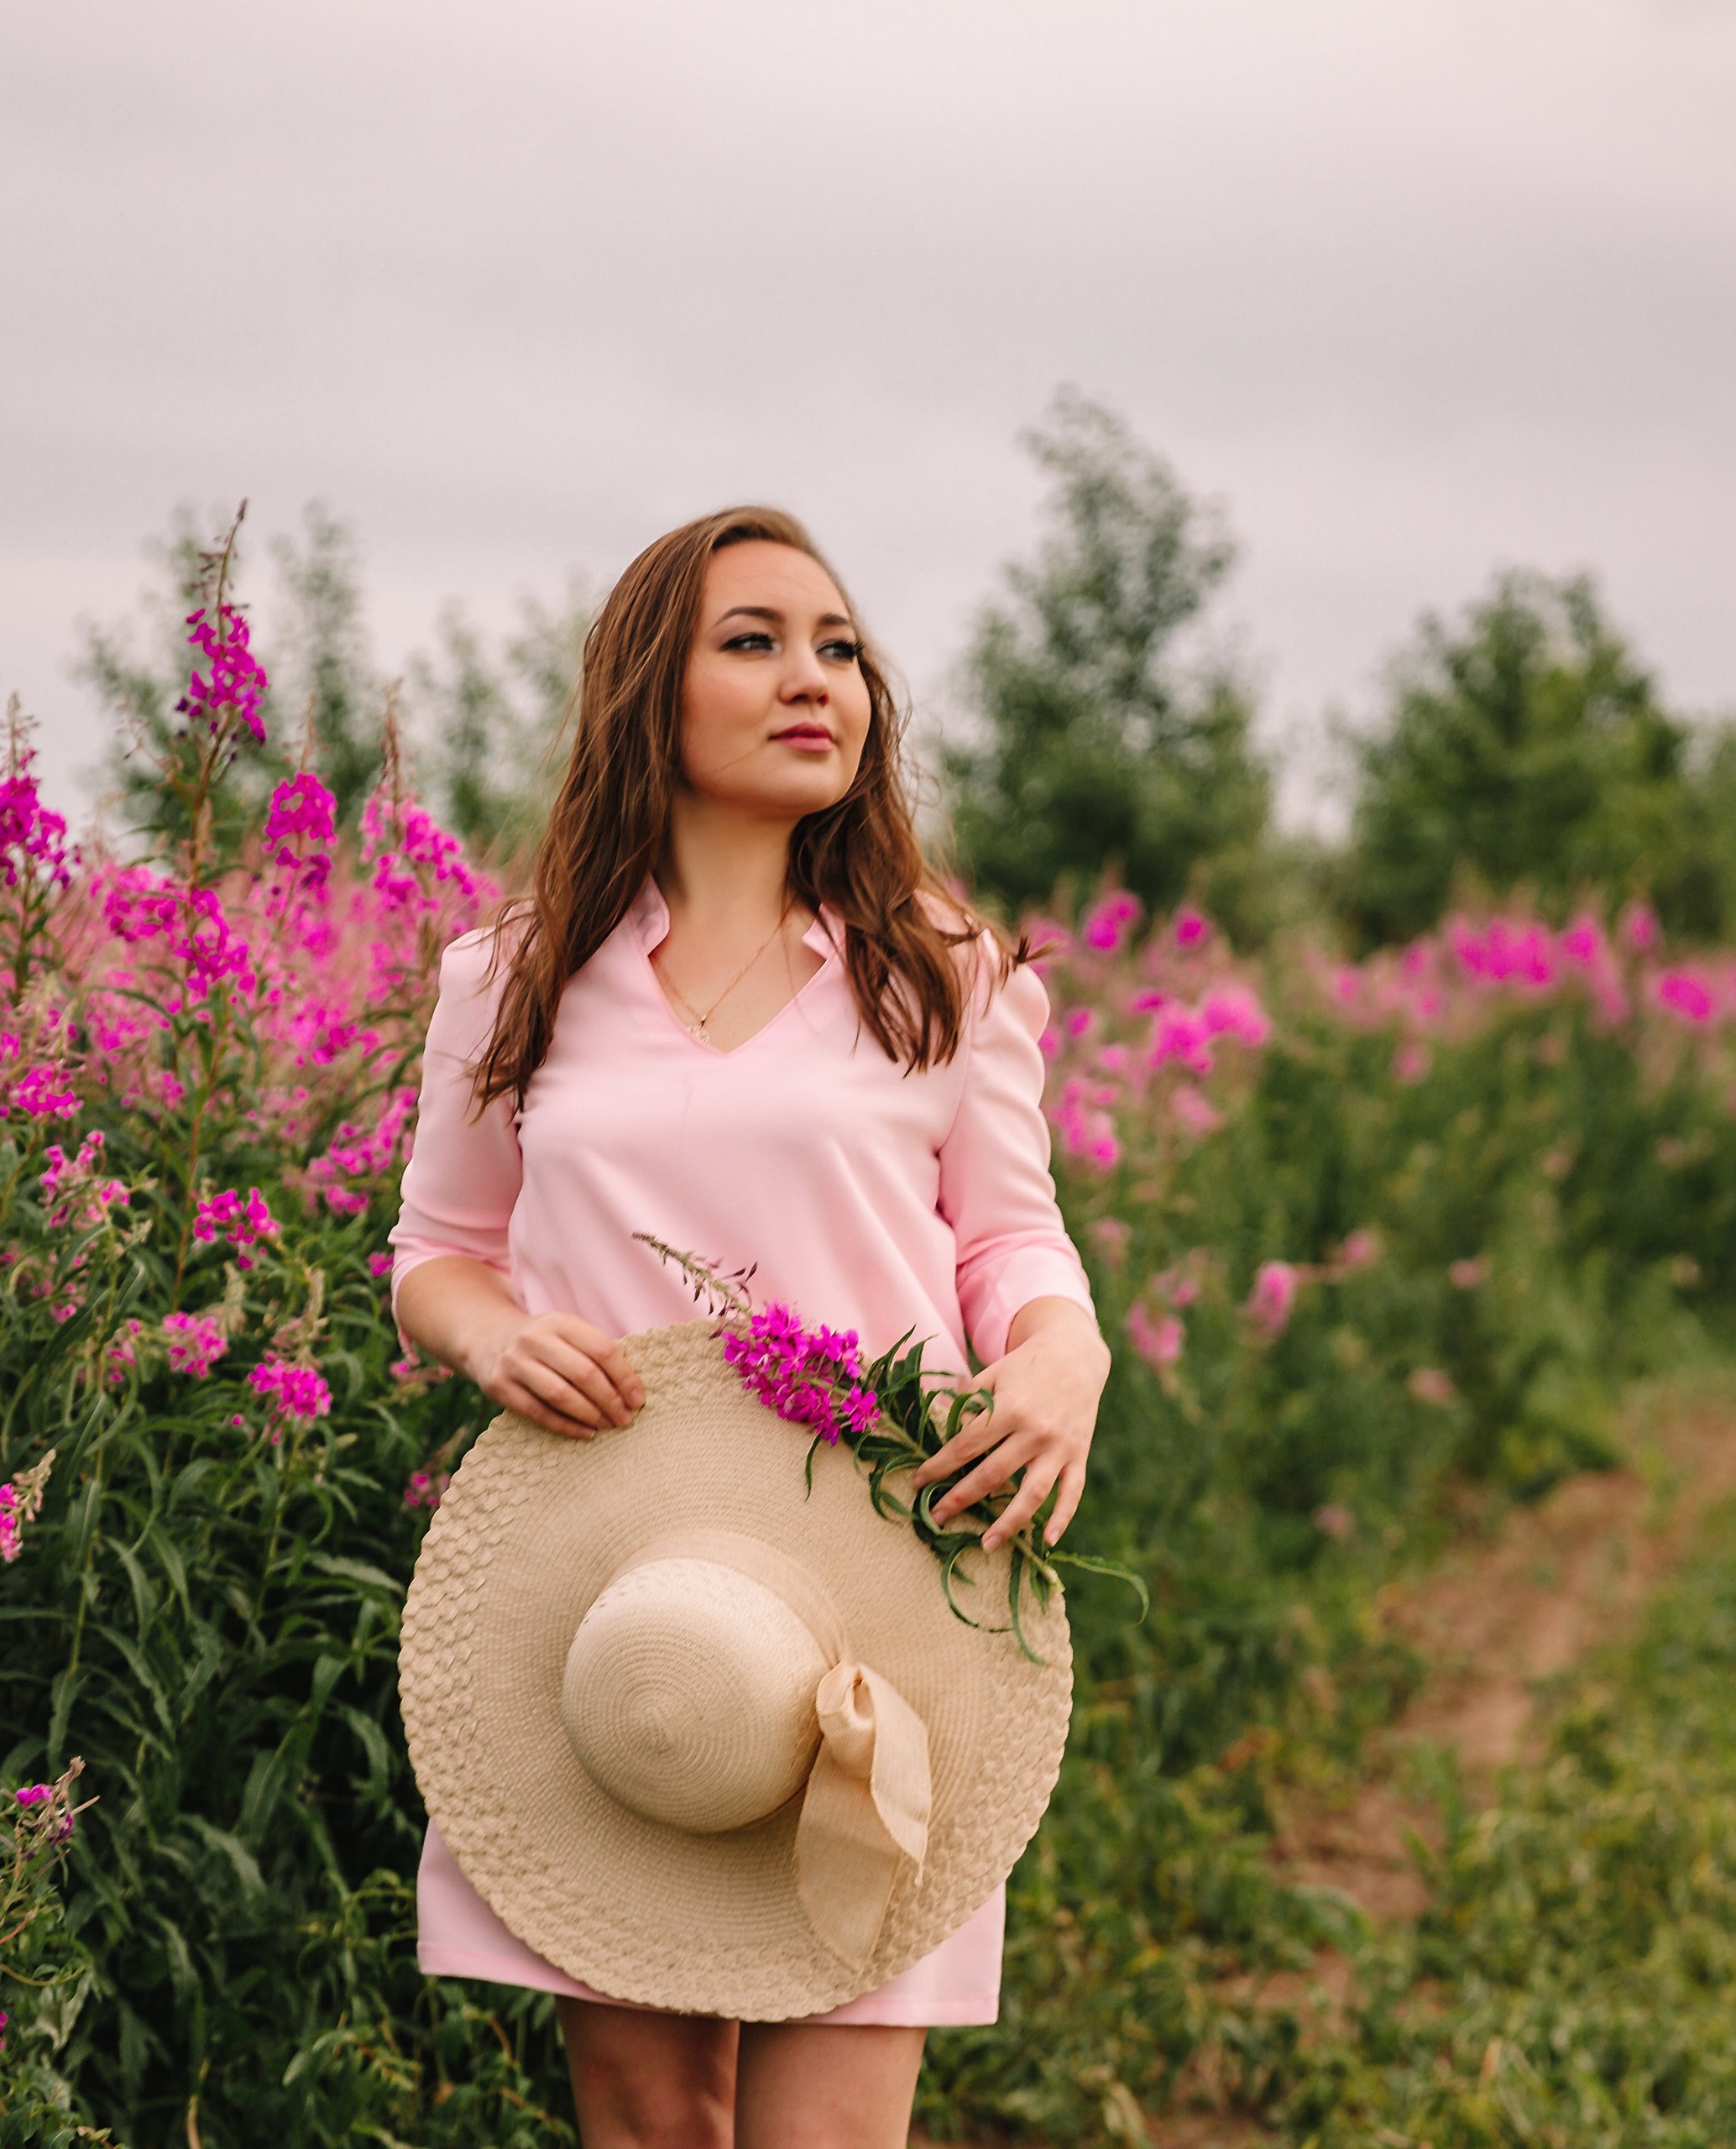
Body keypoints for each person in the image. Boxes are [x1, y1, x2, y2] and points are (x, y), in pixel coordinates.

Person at [389, 505, 1110, 2149]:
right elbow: (437, 1246)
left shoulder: (941, 971)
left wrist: (1063, 1352)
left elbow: (1004, 1233)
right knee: (649, 2131)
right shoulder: (512, 976)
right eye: (755, 640)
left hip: (872, 1583)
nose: (815, 678)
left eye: (839, 646)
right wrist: (488, 1337)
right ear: (649, 691)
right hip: (618, 1602)